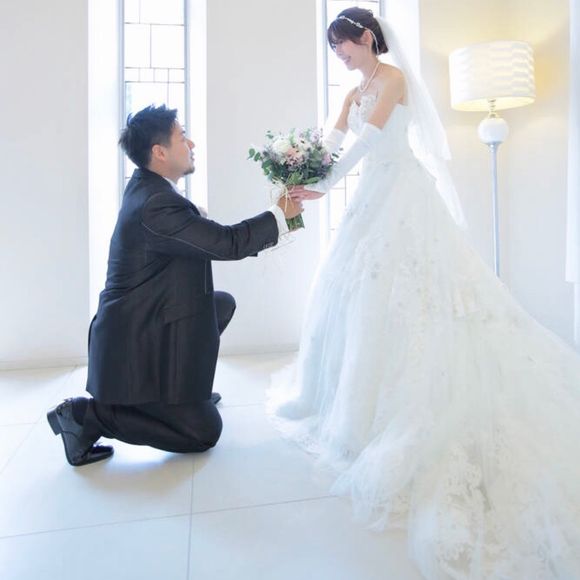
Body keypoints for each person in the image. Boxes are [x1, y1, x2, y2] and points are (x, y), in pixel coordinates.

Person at [268, 7, 580, 579]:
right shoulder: (355, 89)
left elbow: (366, 144)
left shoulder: (392, 80)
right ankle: (353, 407)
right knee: (358, 295)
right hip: (370, 200)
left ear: (367, 37)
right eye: (332, 48)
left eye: (343, 44)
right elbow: (333, 140)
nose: (339, 55)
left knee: (414, 294)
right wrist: (297, 169)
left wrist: (323, 188)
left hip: (402, 195)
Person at [47, 104, 303, 467]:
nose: (191, 143)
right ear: (160, 152)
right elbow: (227, 243)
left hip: (148, 318)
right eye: (183, 137)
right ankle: (85, 416)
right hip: (133, 343)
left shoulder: (148, 188)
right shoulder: (156, 204)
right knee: (204, 433)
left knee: (219, 305)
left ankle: (184, 395)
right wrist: (280, 216)